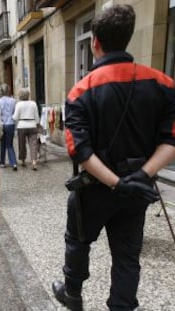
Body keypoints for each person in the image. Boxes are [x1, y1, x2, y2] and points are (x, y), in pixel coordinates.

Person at [52, 4, 175, 311]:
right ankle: (122, 305)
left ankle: (73, 294)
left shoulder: (82, 90)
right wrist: (141, 176)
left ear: (95, 41)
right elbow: (171, 139)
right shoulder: (163, 84)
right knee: (127, 255)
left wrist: (115, 182)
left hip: (94, 188)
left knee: (78, 242)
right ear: (128, 37)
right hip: (138, 188)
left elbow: (79, 150)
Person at [12, 88, 40, 170]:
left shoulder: (18, 104)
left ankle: (23, 160)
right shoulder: (33, 103)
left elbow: (15, 117)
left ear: (20, 95)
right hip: (32, 125)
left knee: (22, 144)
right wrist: (37, 124)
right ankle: (34, 161)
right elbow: (37, 116)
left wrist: (12, 117)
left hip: (21, 126)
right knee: (33, 145)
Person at [0, 83, 18, 171]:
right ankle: (13, 163)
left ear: (1, 91)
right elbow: (14, 112)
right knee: (9, 144)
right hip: (11, 123)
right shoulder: (14, 101)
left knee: (2, 144)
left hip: (2, 124)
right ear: (8, 90)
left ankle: (2, 162)